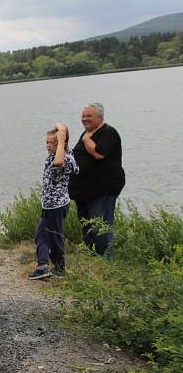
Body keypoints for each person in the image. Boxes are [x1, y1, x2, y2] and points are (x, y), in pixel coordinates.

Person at [68, 103, 125, 258]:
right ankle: (93, 258)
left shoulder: (108, 132)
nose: (85, 119)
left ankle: (106, 261)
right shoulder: (87, 133)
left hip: (102, 190)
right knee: (87, 225)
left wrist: (86, 139)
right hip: (85, 192)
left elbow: (99, 154)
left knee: (101, 228)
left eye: (89, 116)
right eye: (83, 116)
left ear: (100, 117)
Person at [29, 124, 79, 279]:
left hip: (57, 205)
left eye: (53, 143)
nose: (48, 146)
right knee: (41, 234)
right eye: (47, 143)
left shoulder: (65, 158)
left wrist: (62, 135)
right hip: (49, 204)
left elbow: (59, 163)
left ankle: (59, 268)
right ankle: (43, 265)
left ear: (63, 143)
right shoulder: (56, 155)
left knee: (54, 235)